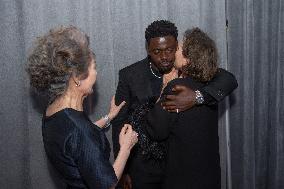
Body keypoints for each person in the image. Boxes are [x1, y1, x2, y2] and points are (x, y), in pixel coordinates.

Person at [112, 20, 238, 189]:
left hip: (178, 167)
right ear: (148, 50)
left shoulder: (192, 68)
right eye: (157, 51)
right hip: (143, 169)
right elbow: (120, 123)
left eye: (171, 50)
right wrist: (123, 170)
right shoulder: (130, 75)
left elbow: (228, 79)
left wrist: (197, 96)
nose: (165, 57)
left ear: (178, 47)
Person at [26, 26, 138, 189]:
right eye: (94, 67)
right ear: (77, 78)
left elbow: (74, 142)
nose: (96, 74)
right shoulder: (80, 131)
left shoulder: (54, 109)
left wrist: (108, 117)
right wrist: (126, 147)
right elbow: (108, 185)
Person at [146, 27, 226, 189]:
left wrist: (165, 86)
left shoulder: (176, 87)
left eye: (178, 48)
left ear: (188, 59)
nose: (174, 51)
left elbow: (156, 131)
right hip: (209, 175)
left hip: (183, 177)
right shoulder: (209, 85)